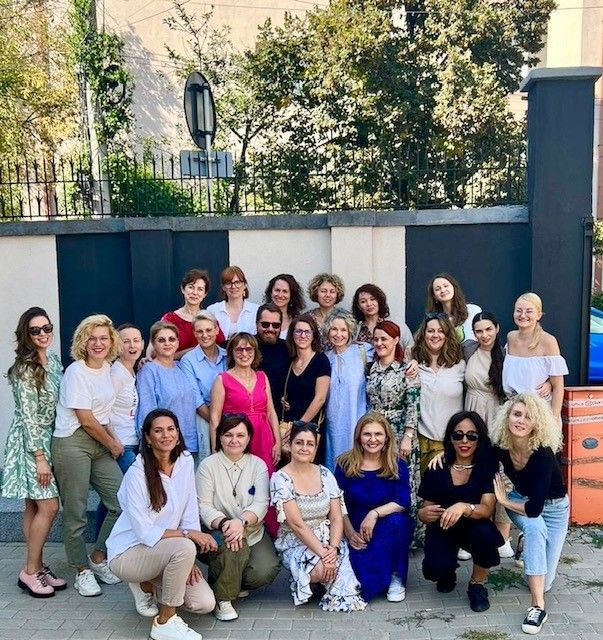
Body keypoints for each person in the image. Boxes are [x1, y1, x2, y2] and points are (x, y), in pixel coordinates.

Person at [107, 409, 216, 640]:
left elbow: (190, 511)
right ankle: (165, 622)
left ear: (177, 433)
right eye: (158, 431)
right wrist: (186, 541)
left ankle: (146, 585)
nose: (166, 435)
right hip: (127, 555)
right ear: (147, 437)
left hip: (165, 551)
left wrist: (186, 560)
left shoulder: (185, 461)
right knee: (185, 547)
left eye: (170, 429)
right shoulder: (136, 475)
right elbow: (146, 533)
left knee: (203, 603)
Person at [52, 314, 123, 597]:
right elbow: (85, 419)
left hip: (99, 441)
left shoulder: (107, 368)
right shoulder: (76, 372)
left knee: (122, 500)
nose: (97, 343)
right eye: (91, 338)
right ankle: (81, 570)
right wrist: (113, 445)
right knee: (76, 511)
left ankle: (97, 557)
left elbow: (102, 414)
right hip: (72, 443)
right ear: (83, 341)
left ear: (111, 341)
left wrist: (112, 438)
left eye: (103, 338)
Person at [270, 421, 367, 612]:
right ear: (289, 444)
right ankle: (306, 579)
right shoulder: (280, 478)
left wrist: (333, 548)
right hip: (296, 540)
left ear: (315, 447)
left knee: (350, 578)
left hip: (328, 538)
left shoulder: (325, 473)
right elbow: (296, 524)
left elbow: (337, 517)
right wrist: (325, 555)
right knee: (322, 570)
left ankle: (318, 577)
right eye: (299, 442)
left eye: (310, 443)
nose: (304, 448)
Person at [492, 394, 569, 635]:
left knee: (545, 582)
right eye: (516, 414)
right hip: (520, 503)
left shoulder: (543, 454)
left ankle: (528, 544)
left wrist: (503, 500)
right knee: (535, 527)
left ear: (536, 423)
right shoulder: (501, 447)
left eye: (528, 417)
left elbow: (536, 508)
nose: (521, 421)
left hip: (554, 509)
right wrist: (445, 455)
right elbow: (472, 453)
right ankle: (538, 608)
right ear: (507, 417)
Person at [3, 307, 66, 597]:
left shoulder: (53, 360)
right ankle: (29, 572)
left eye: (46, 327)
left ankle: (37, 566)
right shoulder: (25, 369)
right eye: (35, 330)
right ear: (25, 335)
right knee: (49, 506)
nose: (43, 334)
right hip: (31, 443)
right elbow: (28, 417)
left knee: (34, 505)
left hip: (48, 437)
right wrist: (40, 458)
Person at [196, 414, 280, 622]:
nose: (234, 440)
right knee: (235, 545)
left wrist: (240, 522)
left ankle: (229, 578)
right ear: (220, 437)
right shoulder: (208, 465)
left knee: (266, 569)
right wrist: (226, 523)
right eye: (228, 434)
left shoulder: (257, 465)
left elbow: (261, 502)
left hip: (250, 529)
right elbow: (203, 505)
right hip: (217, 530)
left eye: (241, 435)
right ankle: (223, 599)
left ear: (249, 438)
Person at [418, 411, 502, 613]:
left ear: (479, 439)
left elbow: (487, 509)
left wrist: (464, 506)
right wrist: (424, 514)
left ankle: (477, 585)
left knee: (485, 536)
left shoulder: (486, 467)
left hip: (474, 526)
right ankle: (447, 571)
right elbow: (424, 509)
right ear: (450, 438)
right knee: (434, 570)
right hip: (443, 526)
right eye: (458, 435)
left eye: (472, 436)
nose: (464, 441)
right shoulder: (437, 466)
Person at [335, 413, 414, 603]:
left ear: (386, 437)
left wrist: (374, 513)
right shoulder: (344, 463)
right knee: (360, 582)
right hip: (355, 527)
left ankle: (396, 576)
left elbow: (403, 501)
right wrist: (349, 532)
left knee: (399, 521)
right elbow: (337, 502)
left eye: (378, 434)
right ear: (358, 437)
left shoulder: (397, 464)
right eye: (367, 434)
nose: (372, 440)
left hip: (388, 525)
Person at [464, 312, 514, 558]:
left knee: (502, 474)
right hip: (472, 413)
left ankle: (503, 535)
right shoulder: (467, 349)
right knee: (471, 471)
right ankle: (469, 535)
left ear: (497, 328)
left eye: (488, 329)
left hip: (498, 415)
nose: (484, 335)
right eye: (479, 331)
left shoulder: (507, 354)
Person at [366, 321, 420, 519]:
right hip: (375, 435)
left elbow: (413, 404)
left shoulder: (406, 370)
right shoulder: (370, 369)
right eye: (376, 339)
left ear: (396, 340)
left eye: (384, 339)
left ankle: (410, 536)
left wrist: (407, 435)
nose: (380, 343)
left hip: (399, 432)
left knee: (403, 481)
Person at [96, 324, 145, 534]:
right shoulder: (116, 372)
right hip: (120, 445)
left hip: (130, 442)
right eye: (126, 341)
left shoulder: (130, 371)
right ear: (117, 344)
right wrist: (113, 440)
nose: (132, 345)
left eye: (136, 340)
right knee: (123, 494)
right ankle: (103, 544)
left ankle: (103, 542)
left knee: (114, 495)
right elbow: (100, 411)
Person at [209, 333, 281, 473]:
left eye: (249, 349)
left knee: (264, 479)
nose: (244, 354)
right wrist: (216, 449)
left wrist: (277, 442)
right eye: (239, 349)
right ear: (232, 352)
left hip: (263, 437)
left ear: (255, 352)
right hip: (236, 439)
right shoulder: (222, 379)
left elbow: (271, 412)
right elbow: (214, 419)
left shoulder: (262, 376)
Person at [412, 313, 465, 474]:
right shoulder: (414, 364)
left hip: (449, 443)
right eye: (430, 331)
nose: (435, 335)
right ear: (423, 334)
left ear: (447, 334)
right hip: (420, 440)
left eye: (441, 331)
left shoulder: (460, 365)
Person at [137, 321, 199, 458]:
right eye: (161, 340)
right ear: (153, 344)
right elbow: (147, 411)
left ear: (177, 342)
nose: (167, 343)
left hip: (189, 443)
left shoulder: (182, 367)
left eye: (171, 339)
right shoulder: (148, 371)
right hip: (163, 445)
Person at [503, 293, 568, 421]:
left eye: (529, 311)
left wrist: (553, 419)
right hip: (513, 411)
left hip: (540, 413)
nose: (523, 315)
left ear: (538, 315)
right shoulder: (511, 337)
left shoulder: (548, 341)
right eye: (518, 311)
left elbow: (558, 386)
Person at [324, 310, 373, 471]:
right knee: (335, 466)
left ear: (350, 331)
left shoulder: (363, 351)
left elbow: (391, 357)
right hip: (332, 426)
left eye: (343, 330)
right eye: (334, 329)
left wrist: (412, 363)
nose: (339, 334)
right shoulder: (324, 358)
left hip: (358, 420)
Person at [281, 315, 331, 463]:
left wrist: (299, 426)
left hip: (310, 425)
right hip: (289, 424)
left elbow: (320, 398)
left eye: (307, 332)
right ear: (292, 334)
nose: (303, 336)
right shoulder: (290, 361)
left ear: (313, 335)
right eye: (298, 331)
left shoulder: (321, 360)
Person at [180, 312, 227, 461]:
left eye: (208, 330)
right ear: (194, 333)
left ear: (217, 330)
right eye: (199, 331)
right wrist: (218, 424)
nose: (204, 335)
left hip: (231, 416)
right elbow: (196, 399)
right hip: (204, 416)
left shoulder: (228, 355)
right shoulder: (188, 360)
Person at [156, 268, 225, 359]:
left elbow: (221, 346)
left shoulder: (209, 320)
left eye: (200, 289)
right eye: (191, 287)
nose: (195, 292)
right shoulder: (169, 319)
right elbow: (156, 350)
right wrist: (192, 351)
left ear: (205, 294)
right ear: (183, 289)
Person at [351, 283, 413, 349]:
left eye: (372, 299)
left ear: (379, 301)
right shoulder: (354, 328)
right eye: (363, 301)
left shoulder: (396, 324)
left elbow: (410, 347)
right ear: (358, 306)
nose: (369, 304)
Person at [426, 273, 482, 344]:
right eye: (437, 289)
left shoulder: (473, 310)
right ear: (434, 296)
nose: (443, 290)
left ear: (454, 288)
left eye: (446, 286)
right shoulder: (434, 320)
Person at [207, 266, 259, 341]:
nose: (233, 286)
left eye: (237, 282)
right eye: (228, 283)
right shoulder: (213, 310)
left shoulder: (256, 310)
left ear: (244, 285)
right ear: (223, 287)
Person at [255, 303, 291, 412]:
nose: (270, 329)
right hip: (251, 412)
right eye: (265, 324)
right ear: (256, 324)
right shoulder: (246, 346)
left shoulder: (289, 348)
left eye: (275, 325)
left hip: (279, 413)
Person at [306, 273, 345, 350]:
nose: (328, 295)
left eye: (332, 291)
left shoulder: (345, 318)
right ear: (316, 293)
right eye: (323, 291)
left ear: (337, 294)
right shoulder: (307, 318)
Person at [264, 274, 305, 339]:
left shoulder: (297, 321)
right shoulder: (261, 316)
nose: (280, 295)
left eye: (285, 291)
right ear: (270, 292)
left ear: (291, 295)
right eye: (277, 290)